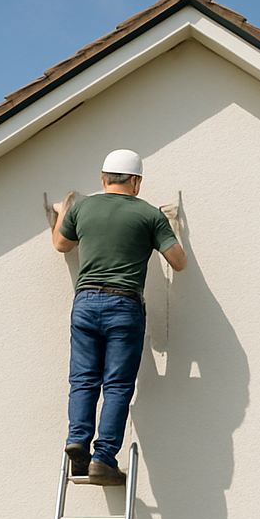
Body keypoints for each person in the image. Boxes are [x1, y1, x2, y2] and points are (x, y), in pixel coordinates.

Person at [51, 149, 187, 486]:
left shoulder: (82, 208)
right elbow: (179, 262)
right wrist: (169, 228)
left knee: (83, 379)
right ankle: (103, 458)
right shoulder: (148, 215)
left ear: (103, 178)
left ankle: (77, 440)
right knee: (117, 385)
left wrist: (61, 213)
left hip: (85, 302)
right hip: (123, 305)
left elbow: (60, 244)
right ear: (136, 182)